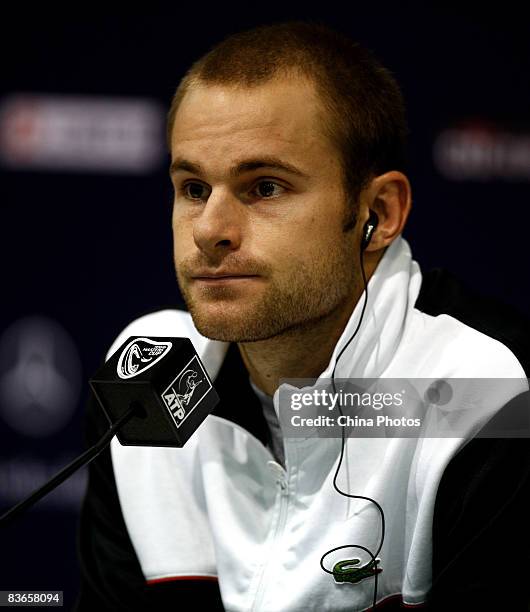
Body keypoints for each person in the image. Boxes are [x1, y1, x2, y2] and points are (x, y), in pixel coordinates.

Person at [74, 21, 530, 611]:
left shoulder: (488, 392)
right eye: (192, 187)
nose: (209, 230)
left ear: (379, 213)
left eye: (264, 187)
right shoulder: (145, 374)